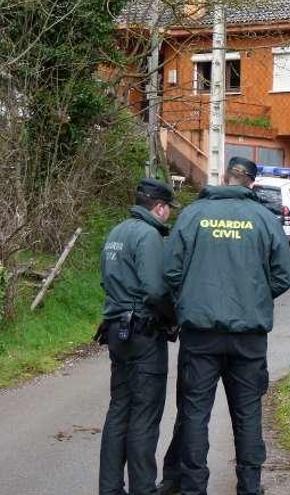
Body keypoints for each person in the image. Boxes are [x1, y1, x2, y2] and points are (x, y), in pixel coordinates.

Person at [163, 157, 290, 495]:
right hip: (248, 338)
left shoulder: (193, 215)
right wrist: (255, 297)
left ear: (225, 178)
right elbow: (283, 274)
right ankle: (249, 487)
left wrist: (189, 299)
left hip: (200, 333)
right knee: (248, 413)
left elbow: (171, 271)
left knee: (195, 413)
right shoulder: (265, 219)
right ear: (251, 182)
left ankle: (194, 488)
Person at [97, 178, 179, 495]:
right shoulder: (148, 236)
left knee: (119, 410)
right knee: (145, 415)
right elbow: (155, 289)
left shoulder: (117, 232)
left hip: (116, 329)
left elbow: (106, 281)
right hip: (144, 333)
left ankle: (110, 488)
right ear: (158, 207)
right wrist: (173, 318)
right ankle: (143, 489)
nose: (169, 215)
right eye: (168, 209)